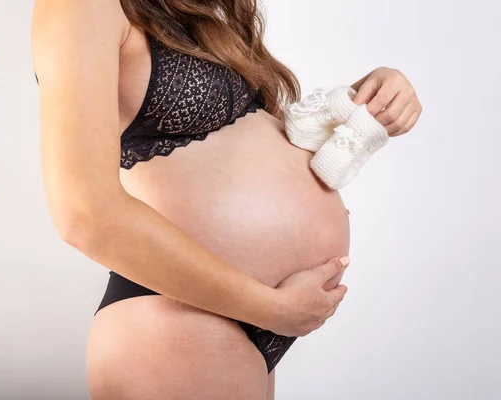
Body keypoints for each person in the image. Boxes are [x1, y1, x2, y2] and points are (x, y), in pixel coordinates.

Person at [30, 0, 422, 399]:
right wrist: (271, 309)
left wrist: (367, 98)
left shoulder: (194, 11)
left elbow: (249, 139)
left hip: (237, 322)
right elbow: (86, 215)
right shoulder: (80, 6)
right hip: (178, 320)